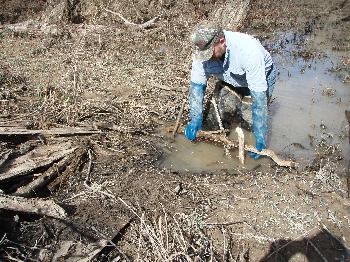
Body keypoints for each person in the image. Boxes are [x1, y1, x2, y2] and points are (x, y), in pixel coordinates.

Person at [184, 21, 276, 159]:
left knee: (249, 125)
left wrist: (260, 137)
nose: (207, 57)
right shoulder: (202, 52)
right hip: (230, 80)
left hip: (259, 82)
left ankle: (256, 143)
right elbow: (197, 88)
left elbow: (259, 101)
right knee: (213, 123)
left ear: (222, 41)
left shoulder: (248, 51)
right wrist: (195, 119)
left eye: (210, 52)